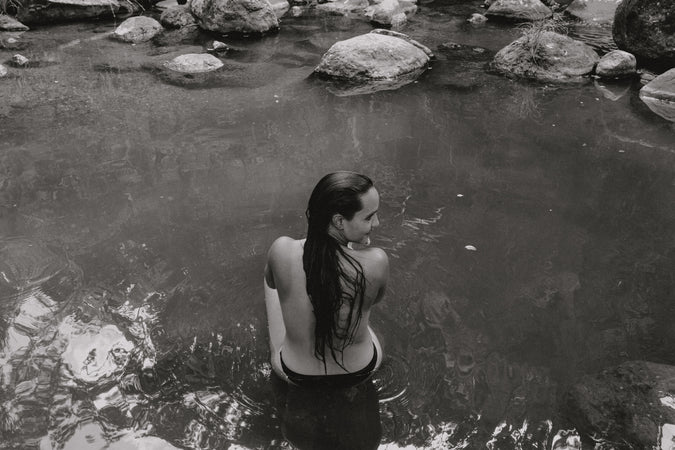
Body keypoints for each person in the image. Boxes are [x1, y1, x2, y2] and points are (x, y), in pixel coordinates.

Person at [264, 171, 389, 388]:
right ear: (339, 221)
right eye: (369, 217)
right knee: (361, 306)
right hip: (362, 370)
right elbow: (375, 300)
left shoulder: (281, 250)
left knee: (273, 286)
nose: (376, 223)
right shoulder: (377, 261)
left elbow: (272, 283)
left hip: (295, 374)